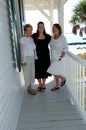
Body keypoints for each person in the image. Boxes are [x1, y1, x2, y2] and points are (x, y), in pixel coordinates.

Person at [47, 23, 68, 91]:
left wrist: (64, 51)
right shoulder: (52, 37)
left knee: (52, 70)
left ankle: (63, 78)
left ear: (59, 29)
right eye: (53, 28)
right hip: (53, 57)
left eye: (55, 28)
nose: (54, 29)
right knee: (55, 72)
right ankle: (57, 85)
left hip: (60, 57)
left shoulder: (62, 38)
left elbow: (66, 47)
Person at [32, 21, 51, 91]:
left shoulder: (48, 36)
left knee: (44, 71)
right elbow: (28, 40)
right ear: (37, 27)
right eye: (39, 26)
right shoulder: (34, 36)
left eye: (42, 26)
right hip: (36, 57)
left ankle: (44, 84)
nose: (40, 28)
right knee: (37, 71)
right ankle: (39, 83)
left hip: (45, 57)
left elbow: (54, 44)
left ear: (44, 27)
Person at [19, 24, 37, 95]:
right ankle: (29, 89)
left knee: (31, 72)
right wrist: (23, 60)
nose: (29, 31)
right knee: (27, 73)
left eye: (31, 30)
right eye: (28, 30)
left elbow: (33, 49)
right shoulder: (22, 39)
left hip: (32, 58)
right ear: (25, 31)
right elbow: (21, 50)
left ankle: (30, 87)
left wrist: (35, 57)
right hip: (26, 58)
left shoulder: (31, 38)